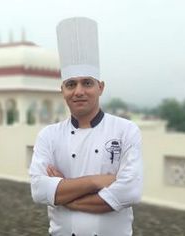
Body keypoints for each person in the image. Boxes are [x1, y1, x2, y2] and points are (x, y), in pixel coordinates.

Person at [29, 17, 143, 236]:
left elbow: (130, 192)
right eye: (71, 84)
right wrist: (97, 181)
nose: (78, 91)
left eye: (87, 83)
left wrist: (63, 192)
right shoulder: (48, 136)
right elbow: (39, 191)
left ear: (100, 87)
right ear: (62, 90)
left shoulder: (126, 130)